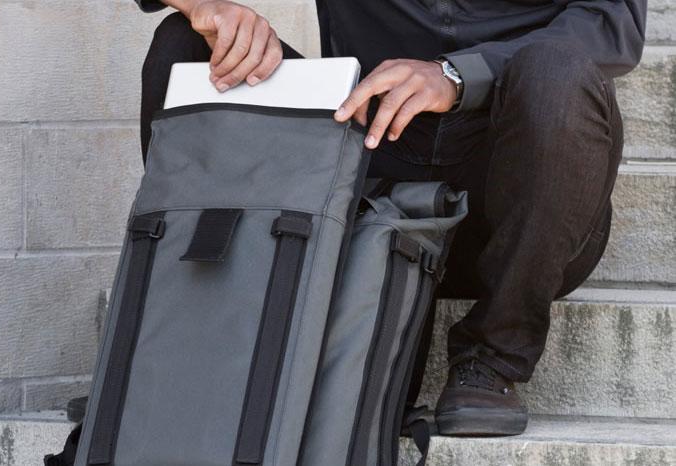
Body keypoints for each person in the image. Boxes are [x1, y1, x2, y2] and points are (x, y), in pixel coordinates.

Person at [134, 0, 646, 436]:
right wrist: (209, 7)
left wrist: (458, 74)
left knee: (558, 68)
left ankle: (492, 358)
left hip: (523, 191)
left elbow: (613, 22)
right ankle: (191, 340)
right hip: (366, 172)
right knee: (185, 45)